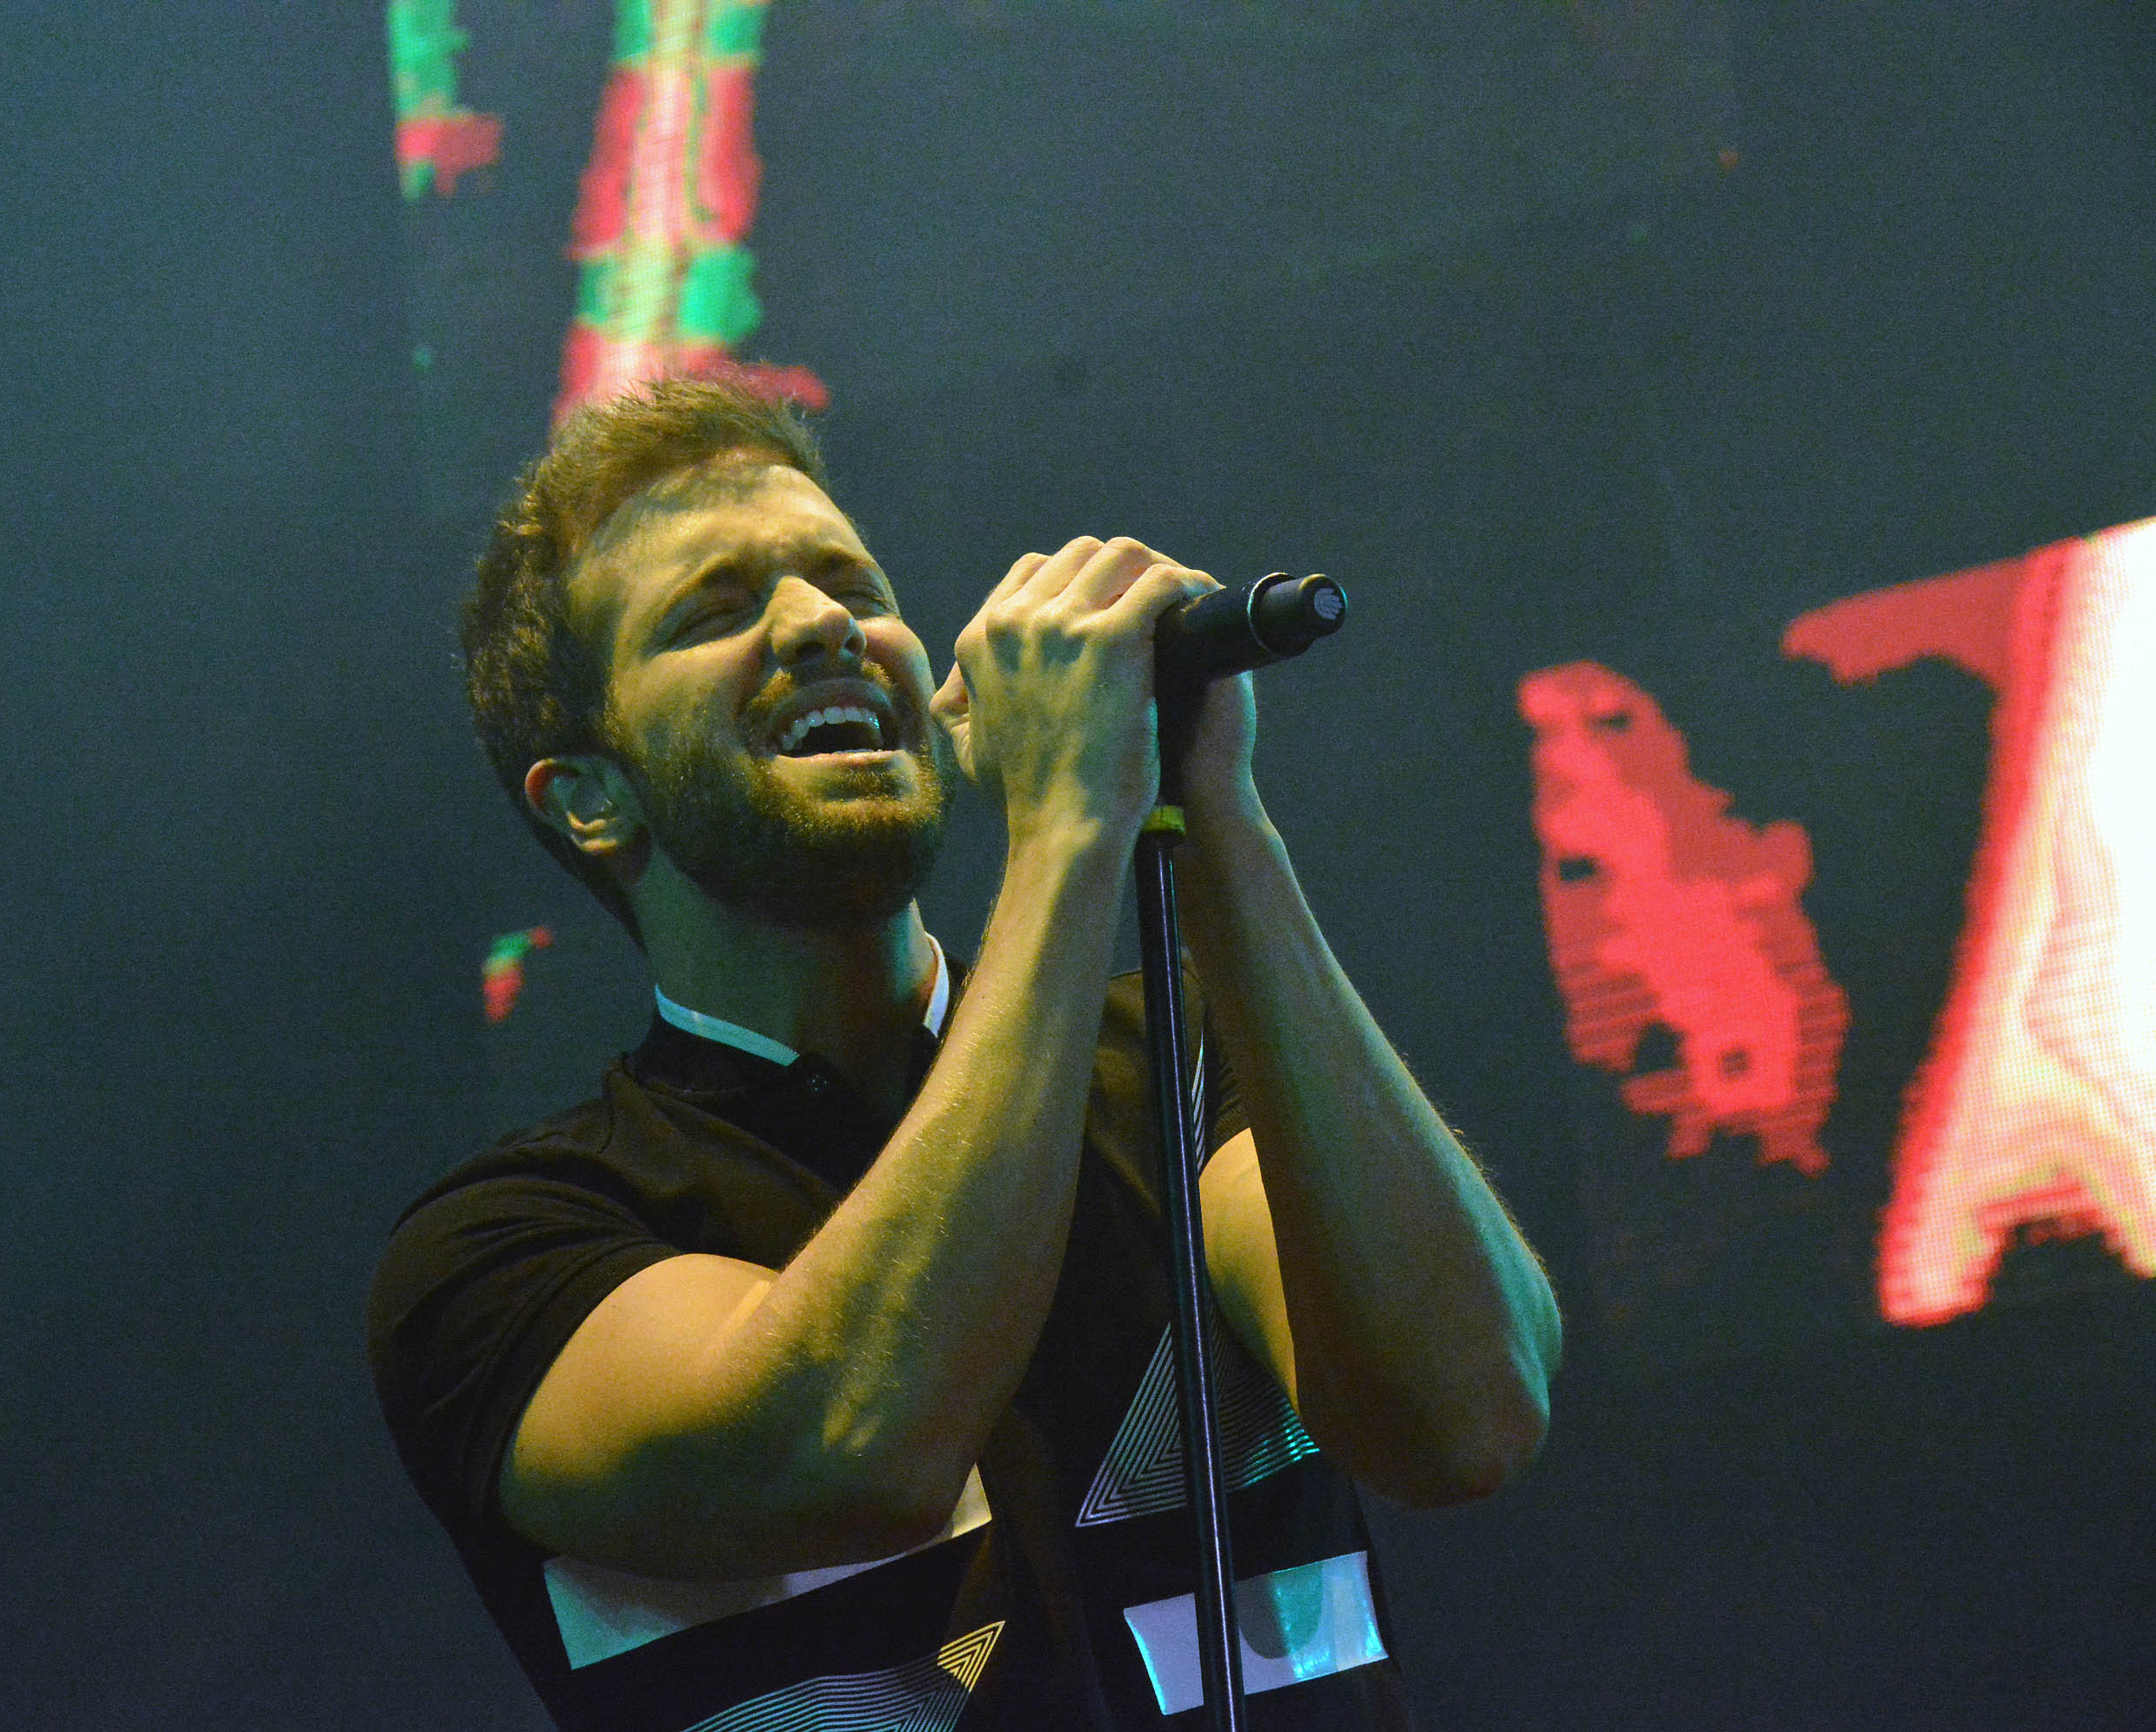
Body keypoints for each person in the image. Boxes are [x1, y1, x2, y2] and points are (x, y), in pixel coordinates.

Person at [370, 378, 1562, 1730]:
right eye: (714, 610)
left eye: (850, 585)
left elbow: (1466, 1418)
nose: (821, 623)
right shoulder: (501, 1252)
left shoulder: (1181, 1060)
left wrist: (1216, 819)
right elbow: (849, 1446)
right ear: (590, 798)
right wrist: (1067, 832)